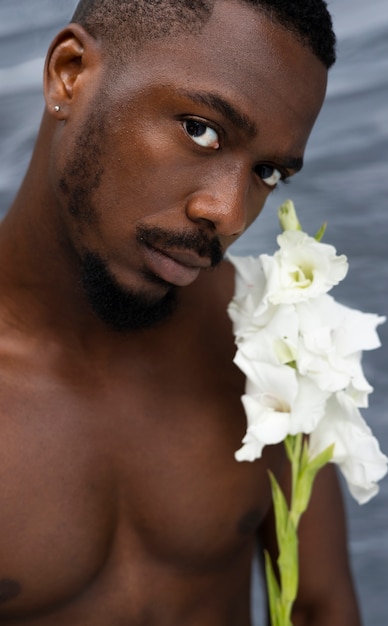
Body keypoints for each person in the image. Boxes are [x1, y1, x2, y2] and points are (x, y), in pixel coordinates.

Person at [0, 0, 362, 624]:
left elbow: (321, 607)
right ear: (69, 73)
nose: (228, 213)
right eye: (201, 129)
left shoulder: (270, 338)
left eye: (268, 171)